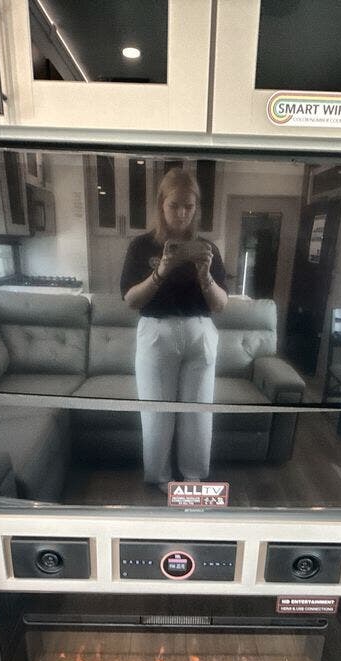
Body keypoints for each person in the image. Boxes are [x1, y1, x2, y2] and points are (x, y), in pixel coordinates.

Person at [120, 168, 229, 487]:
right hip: (157, 332)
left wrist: (205, 275)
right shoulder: (141, 246)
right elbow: (131, 300)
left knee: (198, 413)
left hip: (200, 333)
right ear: (161, 205)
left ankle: (193, 480)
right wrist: (161, 270)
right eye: (174, 205)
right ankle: (159, 479)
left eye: (189, 206)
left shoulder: (207, 248)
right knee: (156, 412)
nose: (182, 213)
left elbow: (220, 304)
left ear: (197, 208)